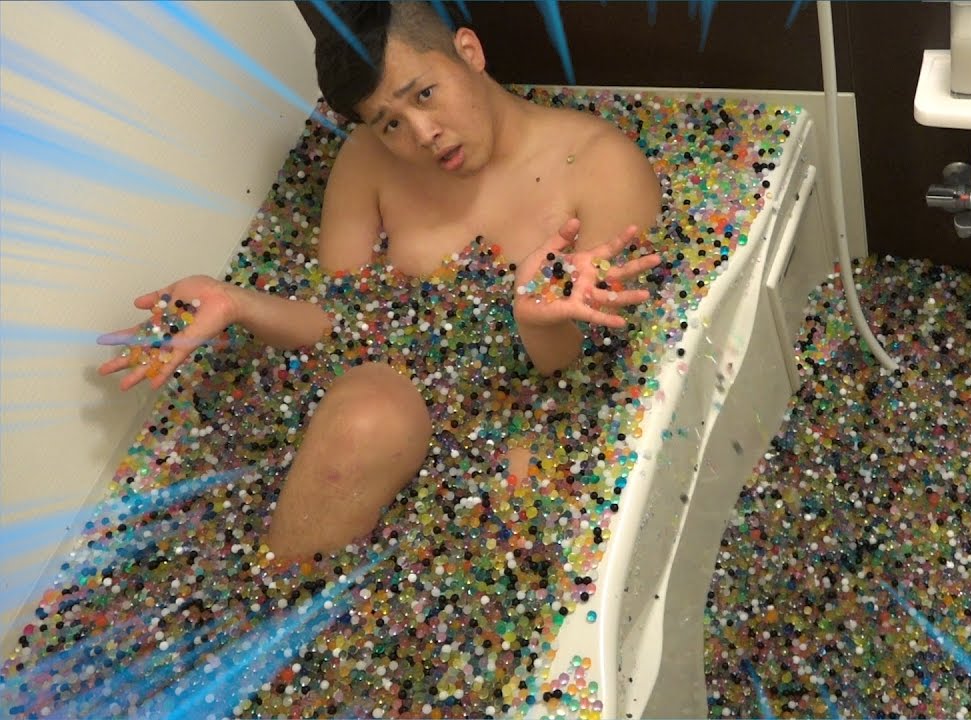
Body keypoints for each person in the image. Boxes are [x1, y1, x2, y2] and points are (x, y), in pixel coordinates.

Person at [96, 1, 662, 562]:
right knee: (366, 415)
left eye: (425, 94)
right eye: (390, 122)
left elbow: (580, 371)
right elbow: (339, 327)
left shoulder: (600, 168)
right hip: (375, 415)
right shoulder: (370, 159)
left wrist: (536, 320)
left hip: (524, 414)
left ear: (469, 52)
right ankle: (271, 589)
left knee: (528, 511)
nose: (423, 133)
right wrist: (238, 302)